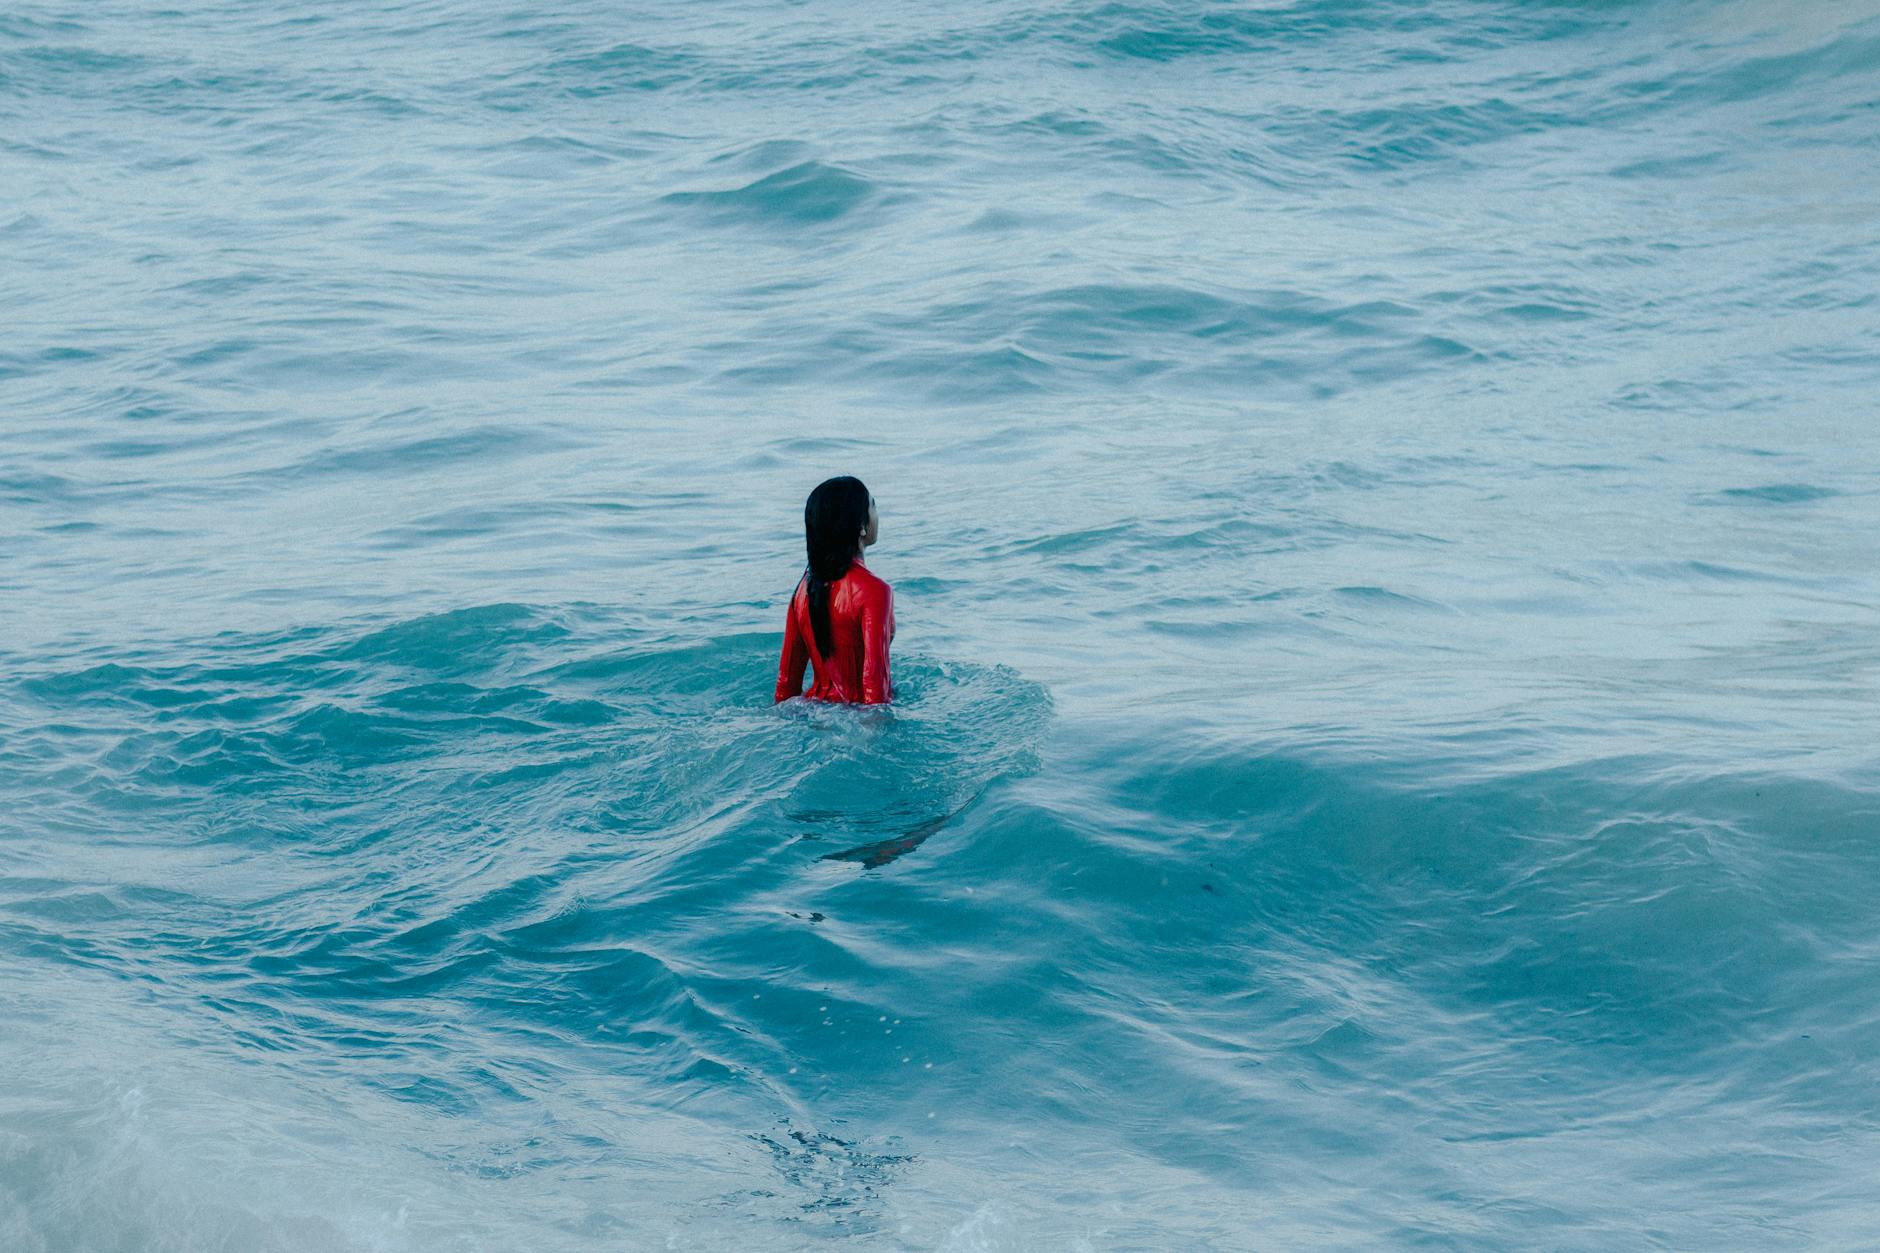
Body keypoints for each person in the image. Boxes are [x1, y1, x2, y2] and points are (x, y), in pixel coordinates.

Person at [775, 476, 894, 705]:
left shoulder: (803, 590)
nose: (877, 516)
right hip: (856, 715)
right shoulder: (875, 591)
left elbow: (786, 685)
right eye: (873, 506)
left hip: (813, 711)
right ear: (860, 526)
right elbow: (874, 682)